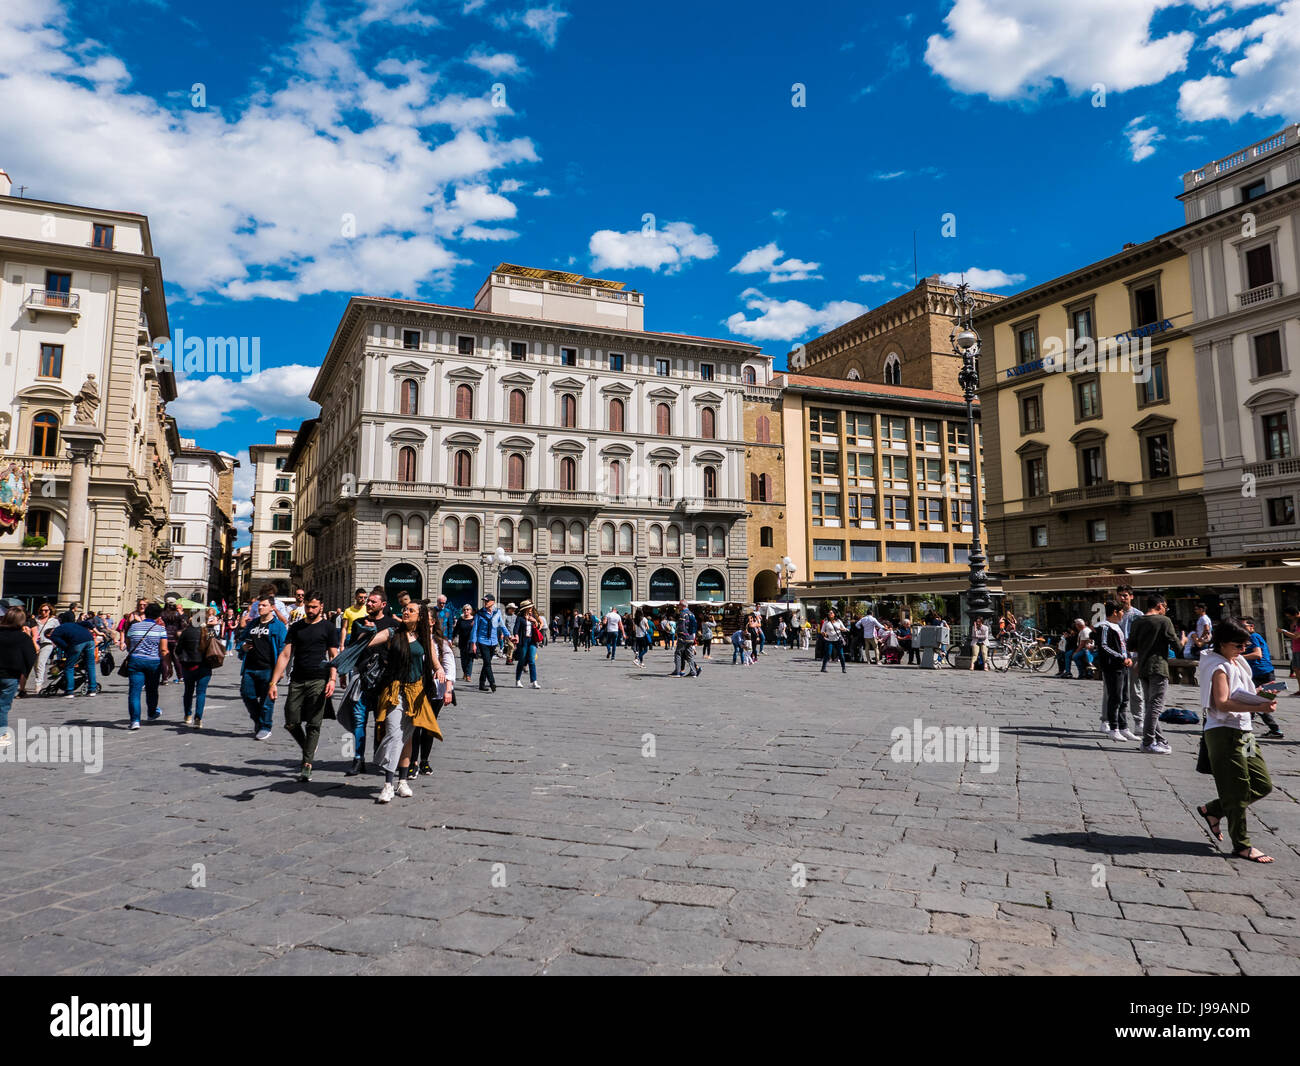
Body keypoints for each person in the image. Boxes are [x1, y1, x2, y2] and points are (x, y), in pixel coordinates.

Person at [334, 601, 448, 804]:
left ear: (419, 617)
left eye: (411, 610)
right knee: (395, 733)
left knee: (408, 739)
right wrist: (364, 635)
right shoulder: (392, 633)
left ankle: (402, 781)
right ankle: (388, 784)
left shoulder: (424, 638)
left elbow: (433, 661)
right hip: (394, 690)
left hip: (416, 692)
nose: (406, 612)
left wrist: (440, 670)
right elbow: (366, 643)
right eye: (405, 609)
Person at [1195, 619, 1278, 863]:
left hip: (1245, 731)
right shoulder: (1218, 666)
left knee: (1262, 784)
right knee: (1237, 789)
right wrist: (1261, 705)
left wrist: (1265, 695)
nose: (1244, 650)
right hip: (1225, 731)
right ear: (1222, 643)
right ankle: (1242, 845)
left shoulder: (1237, 661)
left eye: (1245, 645)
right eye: (1238, 645)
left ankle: (1214, 809)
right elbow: (1222, 702)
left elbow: (1245, 692)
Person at [268, 592, 339, 782]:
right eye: (308, 606)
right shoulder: (297, 627)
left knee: (314, 723)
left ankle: (307, 763)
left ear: (321, 607)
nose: (310, 610)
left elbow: (334, 656)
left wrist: (332, 679)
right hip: (297, 679)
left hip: (319, 679)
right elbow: (285, 655)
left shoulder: (328, 628)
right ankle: (309, 746)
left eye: (314, 607)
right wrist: (273, 682)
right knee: (291, 720)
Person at [1127, 594, 1186, 755]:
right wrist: (1184, 642)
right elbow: (1176, 646)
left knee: (1150, 705)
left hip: (1143, 667)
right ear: (1160, 606)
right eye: (1165, 607)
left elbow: (1131, 645)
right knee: (1155, 706)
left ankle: (1161, 740)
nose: (1165, 610)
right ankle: (1147, 742)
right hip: (1159, 667)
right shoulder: (1164, 621)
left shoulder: (1137, 621)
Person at [239, 596, 286, 741]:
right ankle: (258, 720)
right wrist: (243, 647)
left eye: (264, 605)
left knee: (267, 700)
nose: (260, 608)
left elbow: (282, 650)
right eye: (259, 605)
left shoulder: (278, 626)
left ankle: (266, 726)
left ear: (272, 607)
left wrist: (280, 670)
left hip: (268, 668)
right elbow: (241, 640)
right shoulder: (253, 623)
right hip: (250, 667)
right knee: (247, 695)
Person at [1096, 601, 1138, 741]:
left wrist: (1128, 657)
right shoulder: (1105, 627)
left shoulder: (1116, 626)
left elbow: (1123, 645)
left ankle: (1123, 727)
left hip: (1123, 666)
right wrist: (1121, 658)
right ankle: (1113, 728)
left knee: (1124, 697)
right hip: (1112, 667)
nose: (1122, 614)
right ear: (1114, 612)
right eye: (1121, 612)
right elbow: (1104, 646)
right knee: (1115, 697)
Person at [123, 604, 168, 729]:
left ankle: (135, 721)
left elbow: (128, 643)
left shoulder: (134, 627)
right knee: (152, 689)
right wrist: (167, 665)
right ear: (158, 616)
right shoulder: (160, 629)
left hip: (136, 661)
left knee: (134, 692)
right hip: (153, 662)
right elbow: (163, 650)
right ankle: (152, 713)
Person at [1240, 618, 1284, 738]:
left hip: (1262, 673)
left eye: (1243, 626)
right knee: (1255, 701)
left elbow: (1257, 654)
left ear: (1251, 626)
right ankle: (1250, 724)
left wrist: (1239, 657)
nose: (1241, 628)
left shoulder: (1253, 637)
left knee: (1259, 702)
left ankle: (1274, 729)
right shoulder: (1250, 638)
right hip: (1261, 673)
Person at [0, 606, 37, 743]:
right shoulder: (22, 638)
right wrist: (23, 682)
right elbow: (30, 658)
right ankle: (1, 734)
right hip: (10, 676)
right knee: (3, 705)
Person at [175, 613, 214, 728]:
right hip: (205, 667)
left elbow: (178, 650)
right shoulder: (209, 632)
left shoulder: (186, 632)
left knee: (188, 691)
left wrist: (181, 660)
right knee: (201, 693)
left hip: (188, 667)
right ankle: (198, 718)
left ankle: (187, 715)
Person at [48, 610, 98, 699]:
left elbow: (54, 637)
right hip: (90, 640)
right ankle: (92, 690)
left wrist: (66, 648)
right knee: (90, 665)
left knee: (69, 667)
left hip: (77, 643)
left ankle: (69, 691)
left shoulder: (60, 628)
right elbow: (88, 624)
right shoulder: (77, 624)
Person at [470, 593, 510, 692]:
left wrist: (509, 635)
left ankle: (481, 684)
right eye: (484, 601)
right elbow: (475, 629)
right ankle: (492, 682)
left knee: (486, 663)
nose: (485, 603)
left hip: (493, 641)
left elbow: (502, 625)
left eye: (487, 601)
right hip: (482, 641)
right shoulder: (479, 614)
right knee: (487, 663)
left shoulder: (497, 613)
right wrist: (473, 643)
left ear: (492, 602)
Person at [23, 602, 59, 695]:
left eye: (46, 610)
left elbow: (58, 631)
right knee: (35, 664)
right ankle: (38, 681)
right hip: (36, 643)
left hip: (47, 643)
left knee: (40, 663)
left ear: (50, 611)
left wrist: (55, 641)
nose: (44, 612)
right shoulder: (36, 619)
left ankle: (38, 684)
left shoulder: (54, 621)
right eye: (42, 610)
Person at [512, 600, 543, 689]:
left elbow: (537, 628)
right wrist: (516, 636)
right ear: (525, 609)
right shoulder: (520, 618)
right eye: (530, 607)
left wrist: (535, 622)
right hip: (523, 641)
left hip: (532, 641)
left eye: (531, 607)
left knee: (532, 661)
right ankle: (517, 680)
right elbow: (516, 629)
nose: (531, 608)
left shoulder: (533, 616)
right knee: (521, 661)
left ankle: (534, 682)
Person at [673, 600, 701, 678]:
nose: (678, 606)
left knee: (678, 653)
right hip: (691, 637)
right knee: (689, 655)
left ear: (682, 606)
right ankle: (693, 672)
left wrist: (679, 635)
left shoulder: (683, 614)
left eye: (679, 605)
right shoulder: (691, 614)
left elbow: (681, 626)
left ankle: (678, 672)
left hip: (684, 637)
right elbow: (694, 626)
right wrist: (693, 637)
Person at [1280, 607, 1300, 697]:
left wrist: (1283, 631)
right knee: (1296, 669)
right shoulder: (1295, 622)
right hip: (1296, 649)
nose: (1289, 618)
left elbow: (1296, 636)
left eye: (1289, 616)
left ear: (1295, 614)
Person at [454, 604, 476, 682]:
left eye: (467, 609)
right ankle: (465, 672)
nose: (466, 611)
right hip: (462, 642)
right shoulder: (460, 619)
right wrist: (452, 638)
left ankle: (468, 675)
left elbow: (477, 630)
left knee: (470, 659)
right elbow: (456, 630)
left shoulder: (474, 619)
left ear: (471, 611)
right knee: (463, 659)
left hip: (471, 642)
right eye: (464, 610)